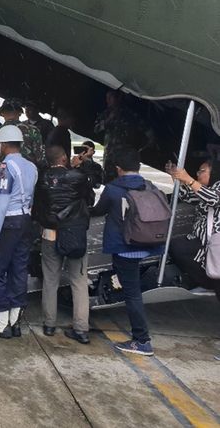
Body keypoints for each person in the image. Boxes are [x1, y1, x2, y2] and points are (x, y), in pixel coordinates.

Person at [90, 146, 163, 356]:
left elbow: (98, 210)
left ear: (118, 168)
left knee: (132, 294)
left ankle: (142, 340)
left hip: (124, 249)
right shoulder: (150, 186)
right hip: (147, 245)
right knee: (133, 290)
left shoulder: (113, 189)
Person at [0, 125, 38, 339]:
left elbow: (1, 203)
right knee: (19, 269)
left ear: (2, 145)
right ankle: (15, 321)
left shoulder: (5, 167)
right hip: (25, 220)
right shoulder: (31, 166)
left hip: (9, 222)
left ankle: (1, 322)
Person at [35, 146, 92, 344]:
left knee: (50, 279)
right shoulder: (77, 177)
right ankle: (81, 328)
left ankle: (49, 324)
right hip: (75, 234)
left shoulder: (41, 180)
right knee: (78, 281)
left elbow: (37, 209)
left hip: (50, 233)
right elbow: (90, 198)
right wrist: (82, 166)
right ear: (65, 158)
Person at [166, 159, 220, 297]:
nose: (198, 174)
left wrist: (188, 179)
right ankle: (205, 283)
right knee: (176, 247)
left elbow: (212, 199)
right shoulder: (207, 188)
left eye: (202, 171)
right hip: (201, 239)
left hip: (215, 243)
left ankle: (208, 283)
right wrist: (175, 176)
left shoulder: (216, 188)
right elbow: (187, 197)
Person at [0, 99, 45, 196]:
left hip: (6, 179)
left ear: (2, 113)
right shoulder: (33, 131)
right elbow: (41, 160)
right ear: (20, 113)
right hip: (29, 180)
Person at [93, 90, 155, 183]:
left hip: (125, 156)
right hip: (110, 156)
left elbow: (146, 129)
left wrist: (148, 143)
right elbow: (96, 129)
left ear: (118, 98)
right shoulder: (105, 114)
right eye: (107, 98)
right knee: (109, 181)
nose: (108, 101)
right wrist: (108, 120)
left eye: (111, 98)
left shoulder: (129, 114)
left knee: (126, 181)